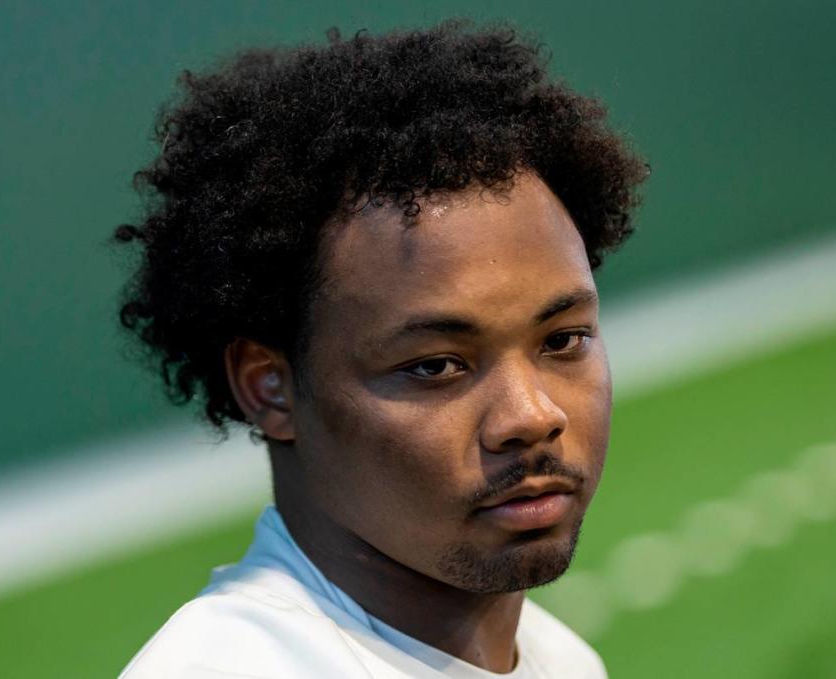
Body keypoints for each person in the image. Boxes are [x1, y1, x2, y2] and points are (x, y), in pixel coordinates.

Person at [115, 21, 646, 679]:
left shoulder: (564, 660)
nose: (532, 415)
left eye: (562, 340)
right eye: (436, 365)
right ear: (269, 387)